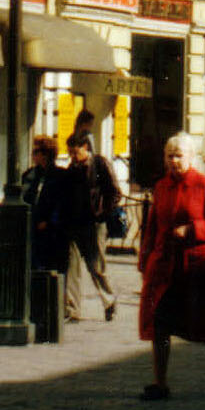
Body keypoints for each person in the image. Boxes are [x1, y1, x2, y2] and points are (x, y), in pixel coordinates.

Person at [137, 134, 205, 400]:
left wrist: (193, 229)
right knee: (159, 324)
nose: (173, 161)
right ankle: (160, 384)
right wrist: (144, 258)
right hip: (164, 267)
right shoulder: (161, 187)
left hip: (194, 268)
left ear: (191, 157)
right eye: (169, 156)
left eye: (178, 155)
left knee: (200, 326)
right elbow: (152, 227)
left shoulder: (204, 184)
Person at [62, 132, 121, 322]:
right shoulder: (72, 169)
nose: (73, 156)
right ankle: (72, 309)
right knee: (71, 266)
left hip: (93, 223)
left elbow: (115, 192)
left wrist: (102, 214)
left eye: (75, 152)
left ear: (85, 147)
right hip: (74, 223)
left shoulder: (99, 164)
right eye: (70, 153)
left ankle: (109, 300)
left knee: (96, 266)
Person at [21, 135, 73, 279]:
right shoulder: (30, 175)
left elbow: (62, 203)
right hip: (33, 229)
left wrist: (50, 222)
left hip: (53, 232)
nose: (33, 156)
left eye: (36, 152)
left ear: (46, 154)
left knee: (52, 270)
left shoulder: (60, 175)